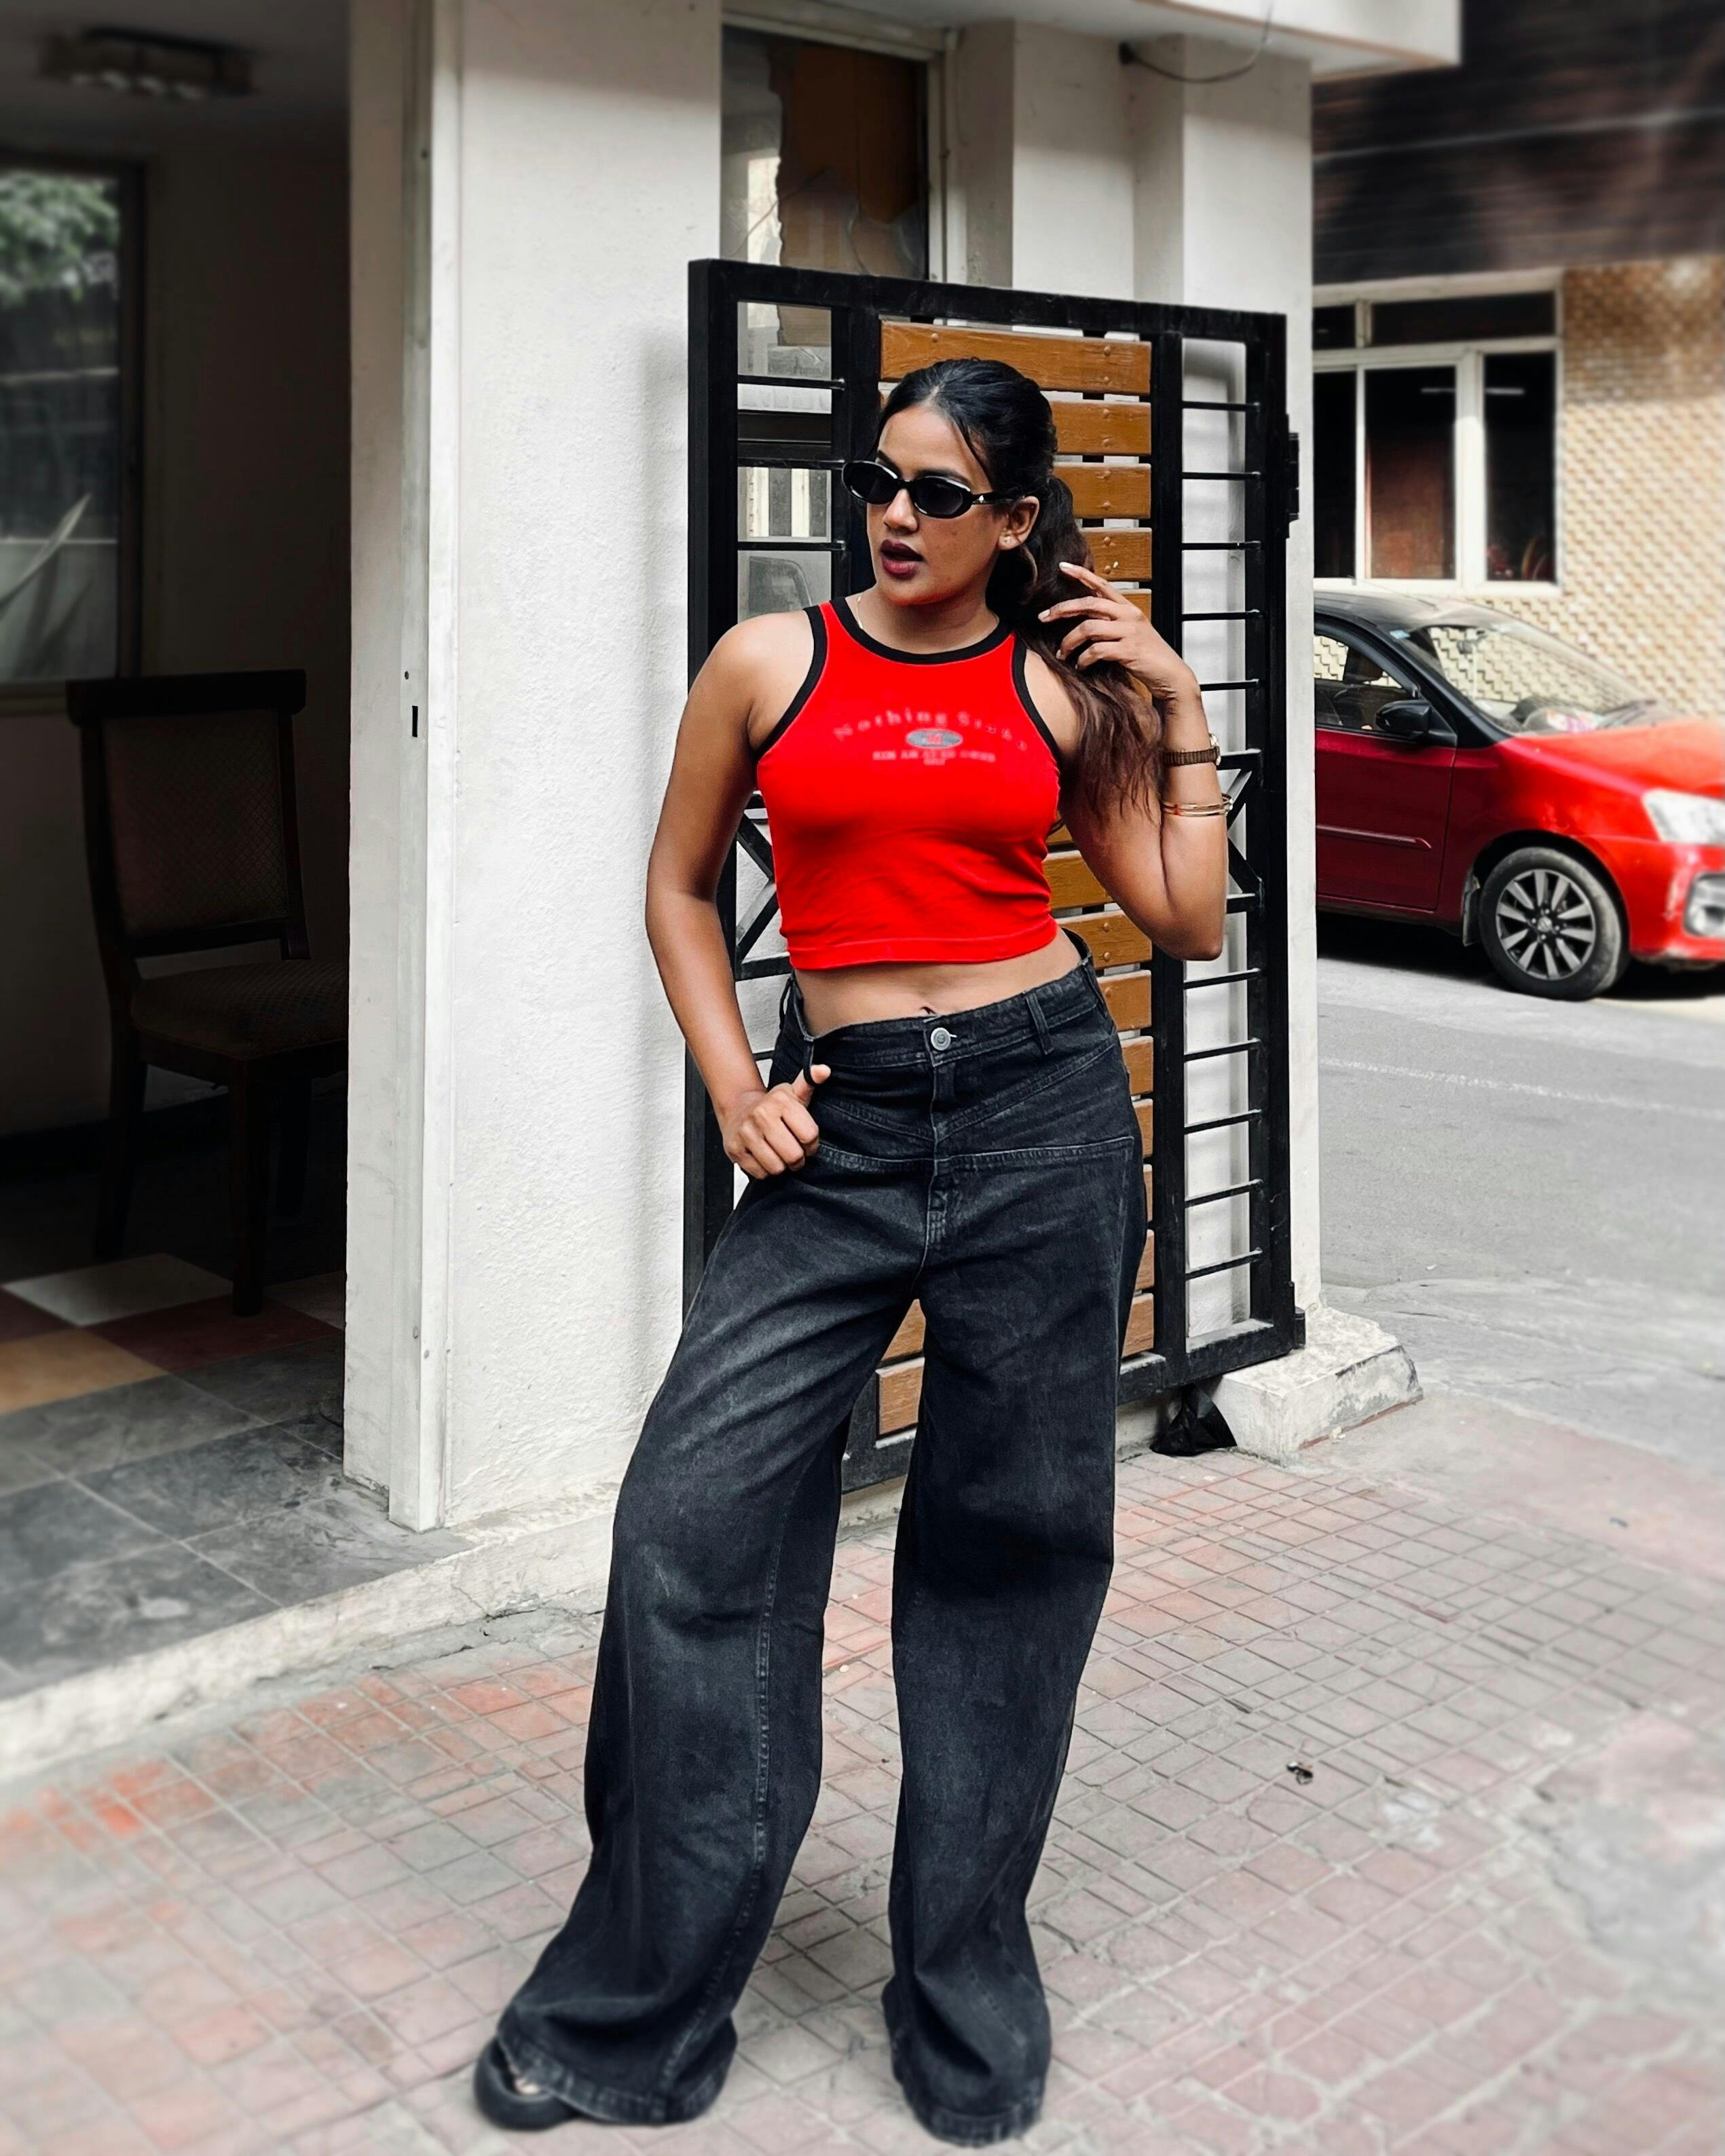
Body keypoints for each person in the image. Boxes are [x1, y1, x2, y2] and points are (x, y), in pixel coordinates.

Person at [472, 356, 1228, 2144]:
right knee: (688, 1524)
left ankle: (964, 1983)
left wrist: (1179, 705)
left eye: (940, 494)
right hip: (846, 1129)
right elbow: (675, 885)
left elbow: (1184, 914)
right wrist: (737, 1089)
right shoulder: (769, 661)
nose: (896, 516)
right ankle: (638, 2006)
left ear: (1016, 521)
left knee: (1011, 1548)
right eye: (875, 482)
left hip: (1043, 1112)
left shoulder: (1059, 687)